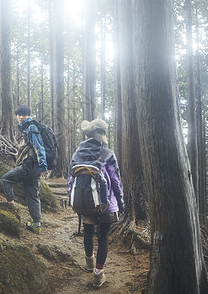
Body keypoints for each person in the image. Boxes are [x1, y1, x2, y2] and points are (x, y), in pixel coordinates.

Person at [67, 118, 125, 288]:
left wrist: (72, 197)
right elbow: (116, 181)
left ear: (88, 134)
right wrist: (121, 204)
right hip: (107, 204)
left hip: (86, 201)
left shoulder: (77, 153)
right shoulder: (108, 154)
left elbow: (71, 179)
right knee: (103, 237)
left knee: (88, 231)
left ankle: (89, 261)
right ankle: (98, 275)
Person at [0, 105, 48, 235]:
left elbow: (39, 148)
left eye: (23, 114)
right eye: (18, 115)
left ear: (28, 115)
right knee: (32, 195)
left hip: (30, 166)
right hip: (34, 167)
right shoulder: (27, 128)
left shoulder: (31, 127)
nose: (20, 117)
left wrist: (44, 166)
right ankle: (36, 225)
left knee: (5, 179)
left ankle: (11, 207)